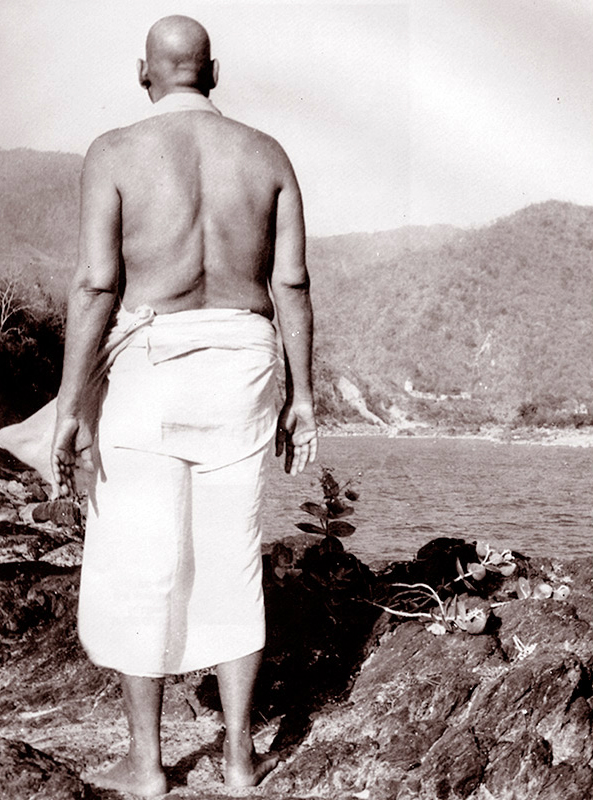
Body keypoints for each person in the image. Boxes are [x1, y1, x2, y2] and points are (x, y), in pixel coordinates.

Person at [50, 15, 317, 798]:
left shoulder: (115, 151)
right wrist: (303, 395)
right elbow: (291, 283)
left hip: (150, 365)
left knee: (142, 562)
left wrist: (71, 402)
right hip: (243, 363)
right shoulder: (266, 154)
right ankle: (237, 759)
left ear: (145, 73)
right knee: (232, 558)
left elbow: (97, 283)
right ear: (214, 71)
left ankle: (146, 766)